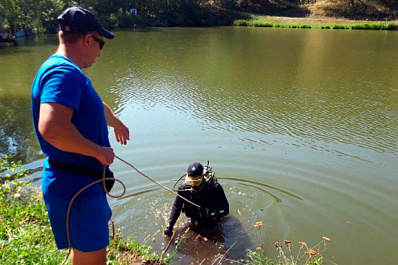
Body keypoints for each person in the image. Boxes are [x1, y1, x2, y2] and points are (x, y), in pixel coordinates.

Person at [31, 6, 129, 265]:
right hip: (78, 188)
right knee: (93, 260)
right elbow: (51, 127)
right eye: (100, 45)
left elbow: (91, 103)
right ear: (88, 39)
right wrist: (99, 152)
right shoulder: (64, 73)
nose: (99, 53)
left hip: (74, 183)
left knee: (82, 254)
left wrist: (116, 122)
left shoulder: (62, 69)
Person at [164, 162, 229, 237]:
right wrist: (170, 225)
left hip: (212, 218)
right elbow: (177, 206)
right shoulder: (183, 188)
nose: (193, 185)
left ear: (202, 177)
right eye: (190, 182)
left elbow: (225, 210)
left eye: (197, 182)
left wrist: (210, 213)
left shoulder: (215, 188)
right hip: (194, 216)